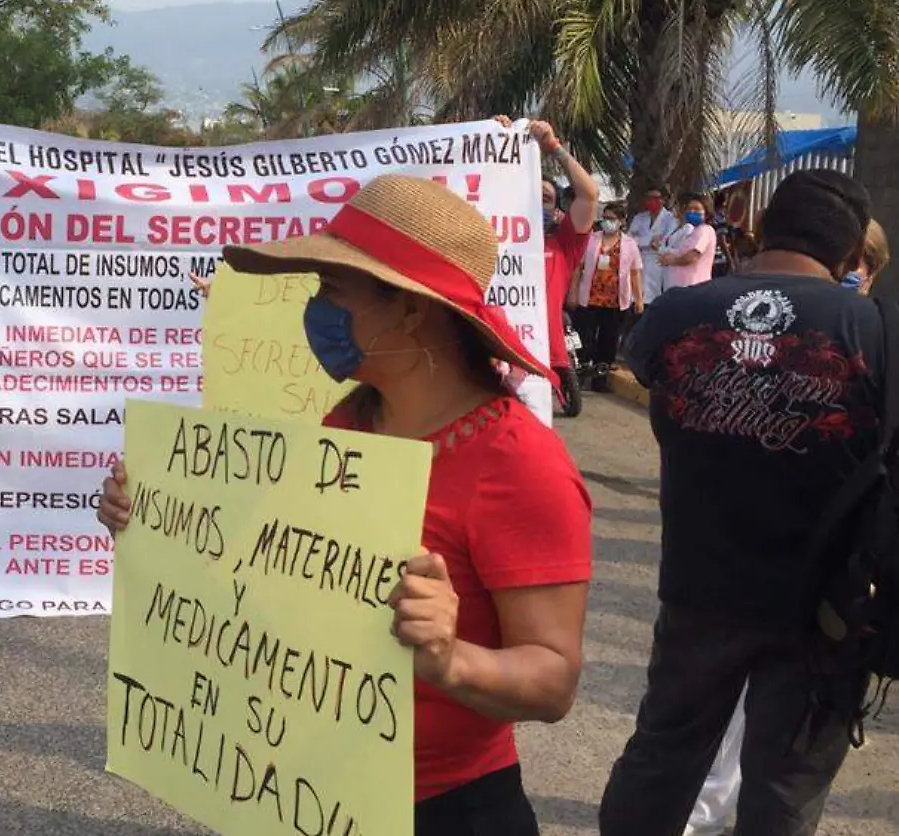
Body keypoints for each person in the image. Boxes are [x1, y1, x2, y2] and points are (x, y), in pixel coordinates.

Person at [98, 175, 593, 835]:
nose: (314, 309)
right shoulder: (349, 426)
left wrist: (449, 657)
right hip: (317, 794)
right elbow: (277, 577)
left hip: (446, 811)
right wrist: (154, 524)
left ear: (413, 308)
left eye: (332, 288)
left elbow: (552, 681)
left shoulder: (521, 466)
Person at [600, 170, 899, 836]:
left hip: (698, 589)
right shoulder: (886, 329)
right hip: (831, 603)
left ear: (766, 228)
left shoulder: (678, 315)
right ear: (852, 249)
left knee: (661, 758)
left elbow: (647, 367)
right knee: (785, 789)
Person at [681, 216, 893, 836]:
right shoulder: (771, 338)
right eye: (846, 264)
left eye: (866, 266)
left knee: (793, 730)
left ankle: (730, 807)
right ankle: (705, 808)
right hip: (753, 554)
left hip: (839, 562)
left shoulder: (882, 342)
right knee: (733, 700)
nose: (853, 277)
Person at [534, 120, 600, 398]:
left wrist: (554, 147)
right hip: (490, 356)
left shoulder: (564, 243)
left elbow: (589, 194)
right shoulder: (491, 236)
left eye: (546, 198)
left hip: (543, 358)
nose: (537, 202)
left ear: (557, 208)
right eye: (529, 194)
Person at [568, 202, 643, 393]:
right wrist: (573, 292)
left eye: (612, 219)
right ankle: (582, 372)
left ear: (621, 222)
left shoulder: (630, 244)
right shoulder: (591, 240)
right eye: (606, 218)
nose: (607, 222)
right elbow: (578, 268)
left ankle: (600, 379)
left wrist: (639, 299)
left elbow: (634, 273)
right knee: (585, 338)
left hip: (615, 300)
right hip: (590, 297)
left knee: (608, 341)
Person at [656, 193, 717, 291]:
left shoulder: (704, 231)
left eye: (697, 209)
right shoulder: (695, 231)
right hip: (679, 287)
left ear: (706, 213)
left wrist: (671, 261)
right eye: (690, 209)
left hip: (693, 287)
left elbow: (692, 256)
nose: (692, 211)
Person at [628, 188, 678, 306]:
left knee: (655, 298)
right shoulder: (639, 217)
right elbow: (630, 240)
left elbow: (664, 242)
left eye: (656, 198)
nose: (652, 201)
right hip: (639, 260)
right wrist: (649, 240)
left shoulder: (670, 219)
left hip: (659, 262)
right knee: (637, 297)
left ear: (663, 200)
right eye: (649, 198)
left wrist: (641, 240)